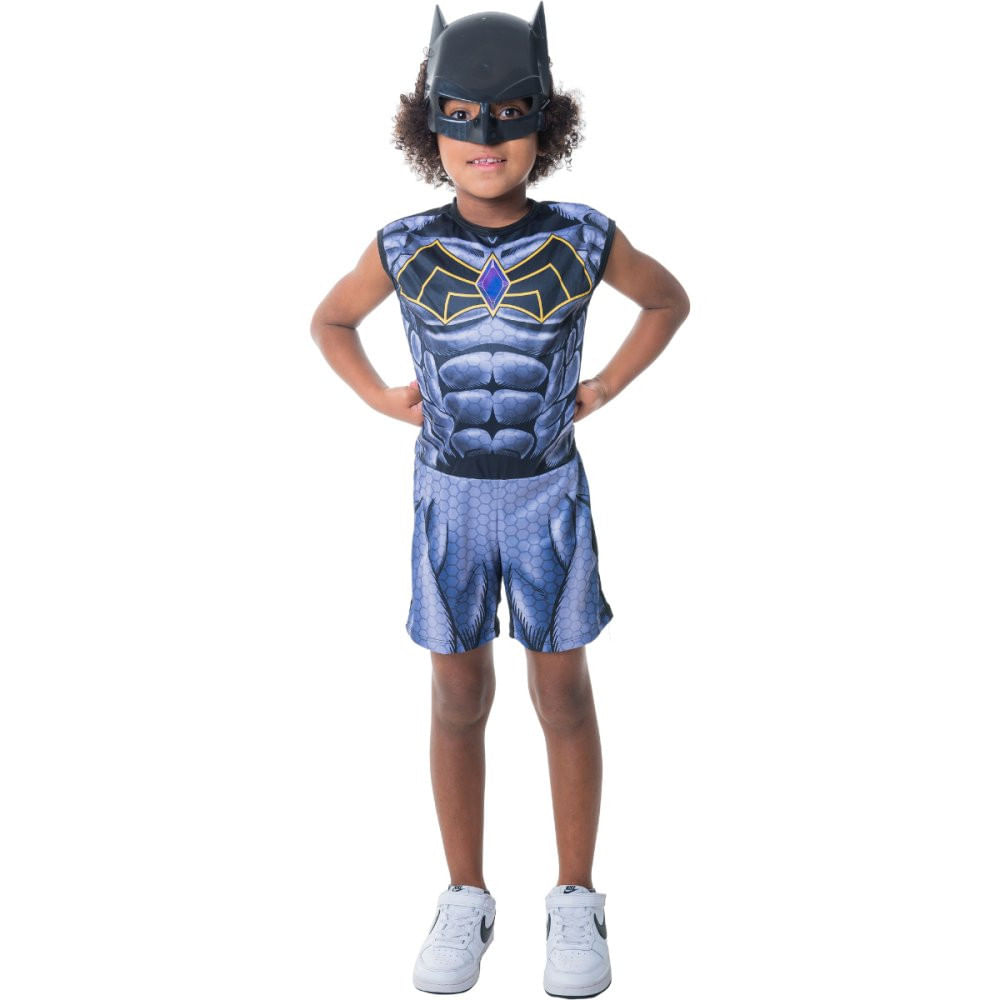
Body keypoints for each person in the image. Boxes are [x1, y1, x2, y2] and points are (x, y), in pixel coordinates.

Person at [310, 4, 690, 995]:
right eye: (464, 115)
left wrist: (606, 385)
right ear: (429, 125)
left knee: (561, 693)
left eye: (511, 114)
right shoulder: (402, 245)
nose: (487, 137)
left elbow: (667, 299)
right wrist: (374, 394)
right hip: (447, 501)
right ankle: (464, 894)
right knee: (456, 695)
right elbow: (331, 320)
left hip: (547, 496)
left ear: (544, 123)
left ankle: (575, 897)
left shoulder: (583, 236)